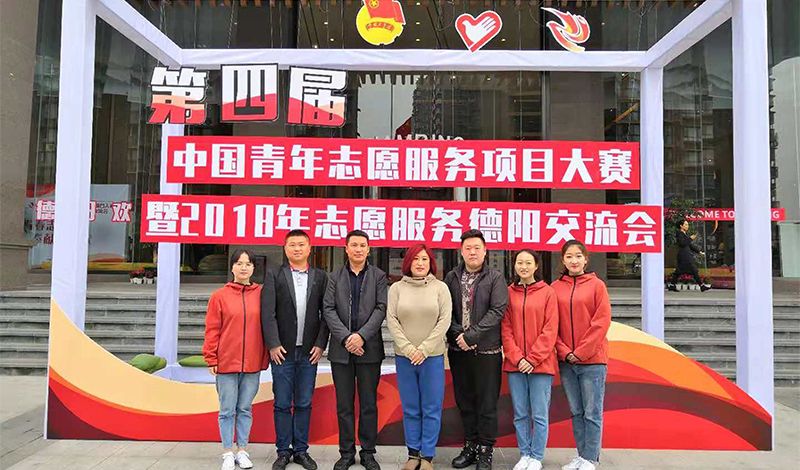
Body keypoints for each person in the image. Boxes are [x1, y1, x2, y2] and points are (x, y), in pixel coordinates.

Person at [261, 230, 329, 470]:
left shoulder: (320, 277)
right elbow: (267, 313)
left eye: (301, 244)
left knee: (304, 402)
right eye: (292, 245)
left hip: (309, 352)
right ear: (285, 248)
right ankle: (283, 451)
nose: (297, 249)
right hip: (282, 352)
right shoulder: (274, 275)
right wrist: (273, 343)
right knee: (281, 402)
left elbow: (326, 314)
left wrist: (320, 343)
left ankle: (301, 450)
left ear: (310, 248)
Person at [323, 230, 388, 470]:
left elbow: (381, 308)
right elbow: (328, 309)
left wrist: (361, 336)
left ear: (368, 250)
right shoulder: (334, 277)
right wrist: (346, 338)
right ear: (346, 249)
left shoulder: (379, 276)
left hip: (369, 349)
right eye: (354, 245)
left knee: (369, 404)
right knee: (344, 405)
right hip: (341, 351)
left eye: (363, 245)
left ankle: (368, 452)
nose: (358, 249)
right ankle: (346, 452)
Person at [444, 229, 509, 470]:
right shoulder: (451, 277)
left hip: (486, 352)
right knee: (465, 402)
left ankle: (485, 451)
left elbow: (497, 310)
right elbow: (445, 310)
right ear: (461, 251)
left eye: (477, 248)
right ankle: (470, 446)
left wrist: (471, 335)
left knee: (487, 404)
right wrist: (457, 335)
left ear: (485, 251)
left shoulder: (495, 278)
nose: (472, 252)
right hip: (458, 350)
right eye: (468, 248)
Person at [386, 244, 452, 470]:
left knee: (431, 408)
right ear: (408, 263)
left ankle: (427, 456)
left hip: (431, 357)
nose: (420, 263)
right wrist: (408, 348)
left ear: (431, 262)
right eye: (416, 259)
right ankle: (413, 454)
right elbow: (392, 320)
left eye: (424, 259)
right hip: (405, 357)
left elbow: (444, 320)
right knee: (410, 407)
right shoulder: (396, 288)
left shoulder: (440, 288)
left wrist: (423, 349)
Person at [202, 249, 269, 470]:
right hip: (226, 362)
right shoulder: (219, 296)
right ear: (232, 267)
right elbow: (212, 329)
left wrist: (264, 356)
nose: (243, 268)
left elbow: (268, 326)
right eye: (239, 263)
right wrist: (211, 357)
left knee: (245, 408)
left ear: (254, 268)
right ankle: (227, 452)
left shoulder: (262, 294)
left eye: (248, 264)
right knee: (227, 410)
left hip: (252, 362)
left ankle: (242, 450)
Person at [551, 240, 612, 470]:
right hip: (566, 361)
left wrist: (582, 352)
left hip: (593, 361)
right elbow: (551, 324)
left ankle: (591, 459)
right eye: (569, 256)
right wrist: (565, 351)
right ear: (563, 260)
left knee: (592, 412)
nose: (574, 260)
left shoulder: (597, 286)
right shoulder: (555, 287)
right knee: (576, 412)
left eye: (578, 256)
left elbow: (601, 322)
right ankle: (581, 455)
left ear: (586, 259)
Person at [501, 250, 558, 470]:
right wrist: (517, 358)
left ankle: (536, 456)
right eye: (519, 262)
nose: (523, 267)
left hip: (541, 365)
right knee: (520, 413)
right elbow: (505, 329)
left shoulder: (547, 292)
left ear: (536, 266)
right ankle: (524, 453)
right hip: (515, 365)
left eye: (528, 263)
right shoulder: (508, 293)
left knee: (540, 414)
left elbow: (550, 329)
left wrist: (532, 359)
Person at [668, 220, 711, 292]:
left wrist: (698, 251)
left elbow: (689, 245)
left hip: (685, 254)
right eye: (685, 224)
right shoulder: (679, 233)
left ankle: (672, 285)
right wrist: (690, 238)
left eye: (687, 224)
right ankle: (702, 286)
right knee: (693, 269)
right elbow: (682, 243)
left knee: (678, 271)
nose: (687, 226)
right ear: (681, 226)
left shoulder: (684, 234)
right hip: (684, 255)